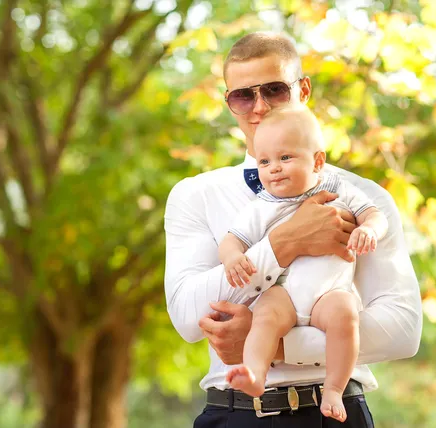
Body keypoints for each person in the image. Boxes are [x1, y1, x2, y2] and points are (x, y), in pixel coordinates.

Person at [165, 31, 422, 428]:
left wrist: (279, 347)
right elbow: (188, 318)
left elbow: (403, 330)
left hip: (335, 413)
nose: (259, 107)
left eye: (274, 89)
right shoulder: (196, 195)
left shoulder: (362, 196)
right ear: (230, 104)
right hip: (234, 415)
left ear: (303, 90)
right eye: (242, 96)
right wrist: (284, 242)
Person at [218, 105, 389, 422]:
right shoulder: (264, 205)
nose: (274, 169)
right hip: (284, 293)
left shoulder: (337, 190)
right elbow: (232, 240)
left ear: (318, 161)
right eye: (264, 162)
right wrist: (232, 258)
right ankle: (255, 374)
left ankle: (334, 388)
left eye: (285, 158)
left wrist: (368, 229)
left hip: (329, 293)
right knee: (264, 315)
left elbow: (375, 215)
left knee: (346, 315)